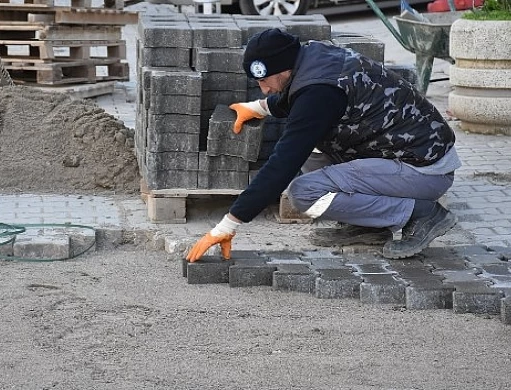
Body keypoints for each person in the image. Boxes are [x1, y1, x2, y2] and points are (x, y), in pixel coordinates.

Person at [186, 28, 461, 262]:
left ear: (284, 68)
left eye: (264, 81)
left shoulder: (319, 92)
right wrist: (257, 107)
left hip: (423, 170)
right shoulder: (312, 57)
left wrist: (229, 224)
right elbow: (296, 97)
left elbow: (282, 164)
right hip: (409, 152)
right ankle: (370, 225)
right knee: (314, 154)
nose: (264, 88)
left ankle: (421, 215)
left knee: (305, 195)